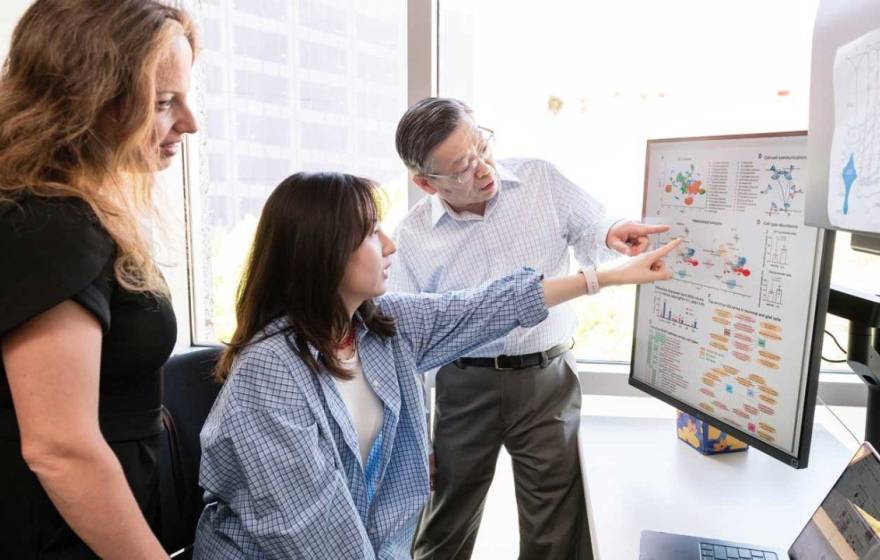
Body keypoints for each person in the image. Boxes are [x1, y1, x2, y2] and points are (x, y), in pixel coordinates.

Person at [193, 171, 678, 559]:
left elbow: (489, 305)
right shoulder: (271, 370)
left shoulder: (382, 327)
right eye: (369, 233)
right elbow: (312, 531)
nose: (389, 245)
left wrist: (605, 278)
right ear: (323, 252)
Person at [391, 97, 668, 560]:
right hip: (464, 385)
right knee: (445, 522)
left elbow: (591, 225)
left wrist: (612, 231)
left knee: (554, 529)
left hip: (547, 380)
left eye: (482, 147)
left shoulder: (540, 179)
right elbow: (408, 346)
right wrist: (416, 436)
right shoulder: (413, 236)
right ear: (425, 183)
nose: (482, 168)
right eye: (461, 167)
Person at [0, 1, 198, 557]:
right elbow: (60, 447)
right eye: (163, 103)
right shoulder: (49, 221)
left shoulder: (76, 209)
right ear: (88, 99)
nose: (189, 122)